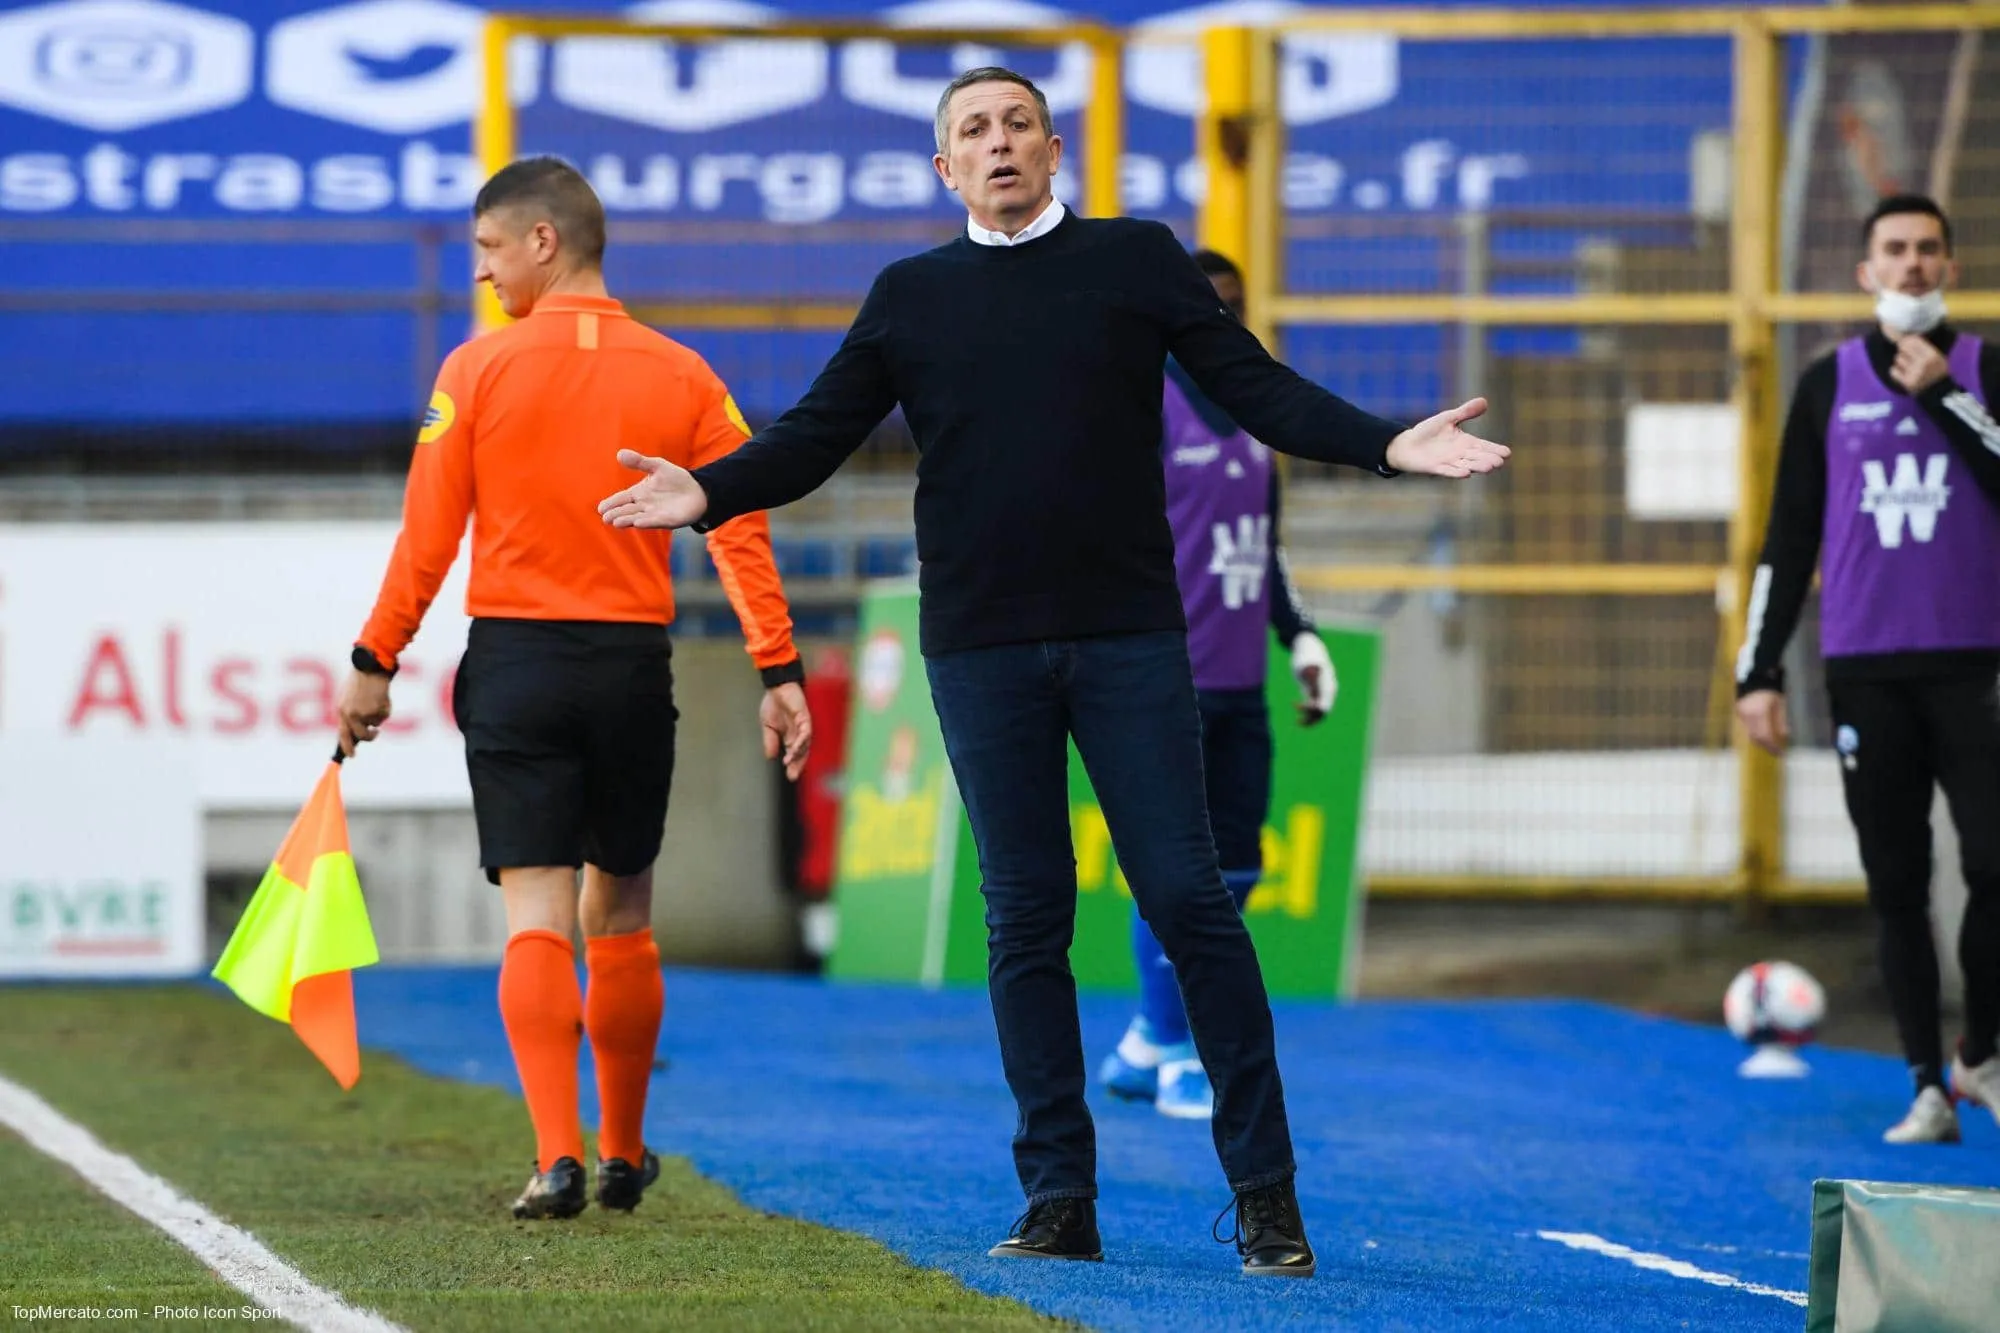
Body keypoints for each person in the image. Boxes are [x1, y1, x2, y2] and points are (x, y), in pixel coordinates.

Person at [598, 67, 1508, 1275]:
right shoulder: (909, 294)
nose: (997, 142)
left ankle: (1267, 1200)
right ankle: (1057, 1202)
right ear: (944, 169)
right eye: (971, 130)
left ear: (1051, 146)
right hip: (977, 647)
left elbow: (1254, 391)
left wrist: (1387, 446)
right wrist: (707, 489)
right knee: (1023, 917)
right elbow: (814, 437)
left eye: (1016, 123)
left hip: (1130, 636)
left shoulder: (1136, 260)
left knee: (1187, 896)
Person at [337, 156, 814, 1218]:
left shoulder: (474, 369)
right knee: (625, 910)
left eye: (490, 250)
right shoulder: (686, 374)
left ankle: (553, 1154)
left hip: (515, 663)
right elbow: (738, 522)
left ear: (543, 241)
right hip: (627, 667)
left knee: (536, 914)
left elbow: (426, 539)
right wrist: (774, 666)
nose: (483, 274)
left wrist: (375, 663)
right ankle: (623, 1150)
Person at [1735, 192, 2000, 1144]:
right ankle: (1928, 1082)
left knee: (1993, 861)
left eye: (1930, 248)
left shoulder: (1984, 370)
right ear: (1866, 270)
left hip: (1978, 664)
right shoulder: (1826, 382)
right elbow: (1786, 536)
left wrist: (1945, 398)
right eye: (1895, 249)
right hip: (1866, 668)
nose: (1913, 264)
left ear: (1952, 266)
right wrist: (1757, 672)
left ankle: (1980, 1052)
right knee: (1897, 880)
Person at [1097, 248, 1336, 1122]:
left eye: (1236, 304)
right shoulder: (1143, 404)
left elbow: (1262, 551)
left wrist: (1301, 637)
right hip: (1167, 676)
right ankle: (1182, 1048)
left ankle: (1145, 1039)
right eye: (1209, 304)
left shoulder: (1251, 413)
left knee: (1235, 869)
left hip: (1241, 681)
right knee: (1179, 873)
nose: (1223, 318)